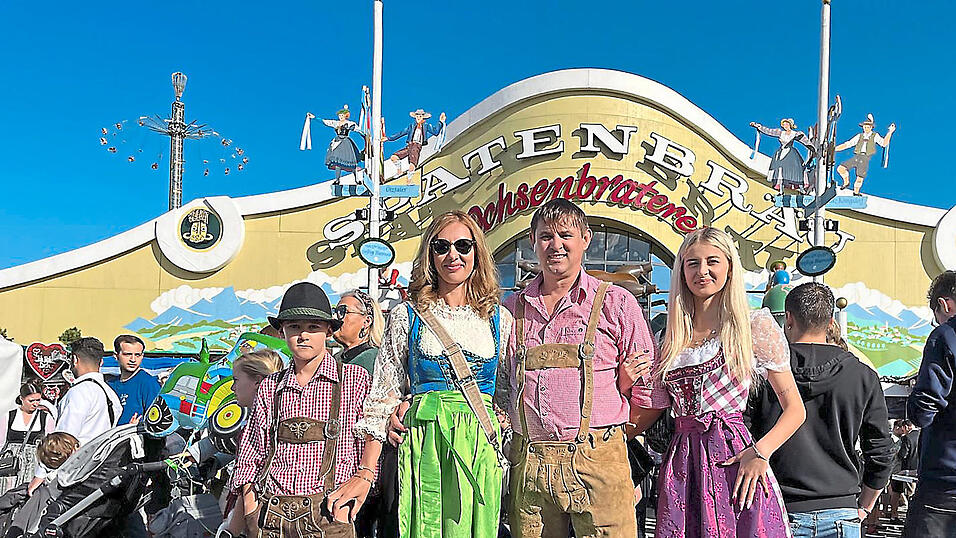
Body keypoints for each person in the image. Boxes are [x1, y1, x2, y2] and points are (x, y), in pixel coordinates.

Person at [337, 210, 512, 537]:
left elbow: (507, 396)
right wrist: (365, 470)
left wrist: (501, 423)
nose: (453, 255)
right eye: (441, 246)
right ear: (429, 255)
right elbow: (382, 396)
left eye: (463, 245)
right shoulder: (407, 315)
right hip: (424, 444)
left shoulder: (500, 320)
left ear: (478, 252)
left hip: (478, 447)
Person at [496, 199, 663, 538]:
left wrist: (613, 439)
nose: (555, 245)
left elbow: (651, 392)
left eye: (565, 235)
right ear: (533, 241)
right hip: (529, 461)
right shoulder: (510, 309)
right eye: (546, 236)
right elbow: (499, 385)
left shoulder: (616, 302)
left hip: (598, 458)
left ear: (585, 239)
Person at [655, 227, 805, 538]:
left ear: (729, 267)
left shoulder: (753, 329)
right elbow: (653, 403)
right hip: (683, 463)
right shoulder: (669, 338)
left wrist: (760, 453)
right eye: (692, 263)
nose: (702, 271)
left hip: (734, 460)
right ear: (681, 271)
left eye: (712, 261)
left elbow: (795, 409)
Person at [748, 282, 894, 537]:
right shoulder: (862, 376)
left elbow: (744, 434)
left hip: (775, 506)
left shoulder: (765, 373)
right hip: (841, 507)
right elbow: (881, 453)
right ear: (830, 321)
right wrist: (865, 506)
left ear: (788, 318)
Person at [231, 282, 371, 538]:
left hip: (330, 516)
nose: (303, 335)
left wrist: (348, 505)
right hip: (271, 517)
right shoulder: (270, 387)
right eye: (294, 326)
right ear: (282, 331)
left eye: (313, 327)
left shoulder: (354, 379)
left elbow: (367, 443)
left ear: (329, 331)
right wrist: (252, 511)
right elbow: (251, 453)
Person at [331, 289, 395, 538]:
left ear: (366, 320)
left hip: (365, 463)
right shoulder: (337, 359)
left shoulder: (372, 360)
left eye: (343, 311)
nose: (337, 317)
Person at [28, 337, 121, 494]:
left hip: (71, 476)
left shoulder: (80, 392)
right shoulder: (111, 395)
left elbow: (63, 441)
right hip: (96, 474)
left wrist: (40, 475)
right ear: (101, 363)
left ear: (74, 359)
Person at [904, 270, 956, 536]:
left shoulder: (945, 336)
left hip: (945, 482)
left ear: (943, 304)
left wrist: (913, 401)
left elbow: (924, 410)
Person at [0, 380, 56, 495]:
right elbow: (1, 443)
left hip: (34, 465)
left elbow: (50, 446)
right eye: (31, 401)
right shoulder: (9, 416)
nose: (35, 404)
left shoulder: (45, 418)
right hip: (11, 467)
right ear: (22, 398)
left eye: (38, 400)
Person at [835, 114, 896, 196]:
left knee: (859, 177)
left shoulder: (875, 136)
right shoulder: (859, 136)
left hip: (865, 158)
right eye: (864, 127)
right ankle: (846, 182)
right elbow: (848, 144)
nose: (866, 128)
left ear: (871, 127)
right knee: (841, 168)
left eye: (868, 127)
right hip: (857, 156)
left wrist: (890, 132)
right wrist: (835, 149)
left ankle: (856, 193)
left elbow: (884, 143)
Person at [106, 334, 161, 425]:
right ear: (116, 356)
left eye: (137, 355)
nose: (133, 359)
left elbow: (157, 422)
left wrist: (136, 427)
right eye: (127, 354)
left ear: (142, 356)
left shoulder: (149, 383)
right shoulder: (109, 384)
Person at [749, 119, 814, 192]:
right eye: (784, 124)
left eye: (787, 124)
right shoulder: (780, 133)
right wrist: (758, 126)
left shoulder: (795, 134)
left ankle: (799, 186)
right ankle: (780, 187)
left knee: (795, 168)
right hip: (781, 152)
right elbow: (769, 131)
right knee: (779, 168)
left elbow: (805, 141)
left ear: (790, 125)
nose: (785, 126)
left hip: (790, 153)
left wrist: (813, 149)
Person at [386, 109, 446, 181]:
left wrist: (441, 122)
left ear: (423, 117)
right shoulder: (411, 126)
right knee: (394, 157)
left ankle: (408, 182)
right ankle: (399, 171)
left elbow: (435, 132)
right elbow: (401, 133)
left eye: (420, 116)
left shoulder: (426, 126)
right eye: (417, 116)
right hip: (409, 146)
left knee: (412, 164)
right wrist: (388, 138)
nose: (418, 117)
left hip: (416, 146)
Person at [886, 419, 918, 522]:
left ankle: (894, 515)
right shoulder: (921, 436)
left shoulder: (907, 438)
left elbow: (902, 455)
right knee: (912, 493)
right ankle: (912, 516)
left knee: (896, 492)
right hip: (918, 469)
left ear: (906, 427)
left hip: (903, 470)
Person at [322, 105, 363, 184]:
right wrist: (314, 118)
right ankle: (337, 180)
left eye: (342, 115)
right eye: (339, 115)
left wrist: (364, 135)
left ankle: (357, 179)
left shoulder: (349, 123)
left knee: (351, 162)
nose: (340, 117)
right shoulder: (336, 123)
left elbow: (359, 130)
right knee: (337, 162)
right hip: (337, 142)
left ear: (345, 116)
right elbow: (325, 122)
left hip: (345, 142)